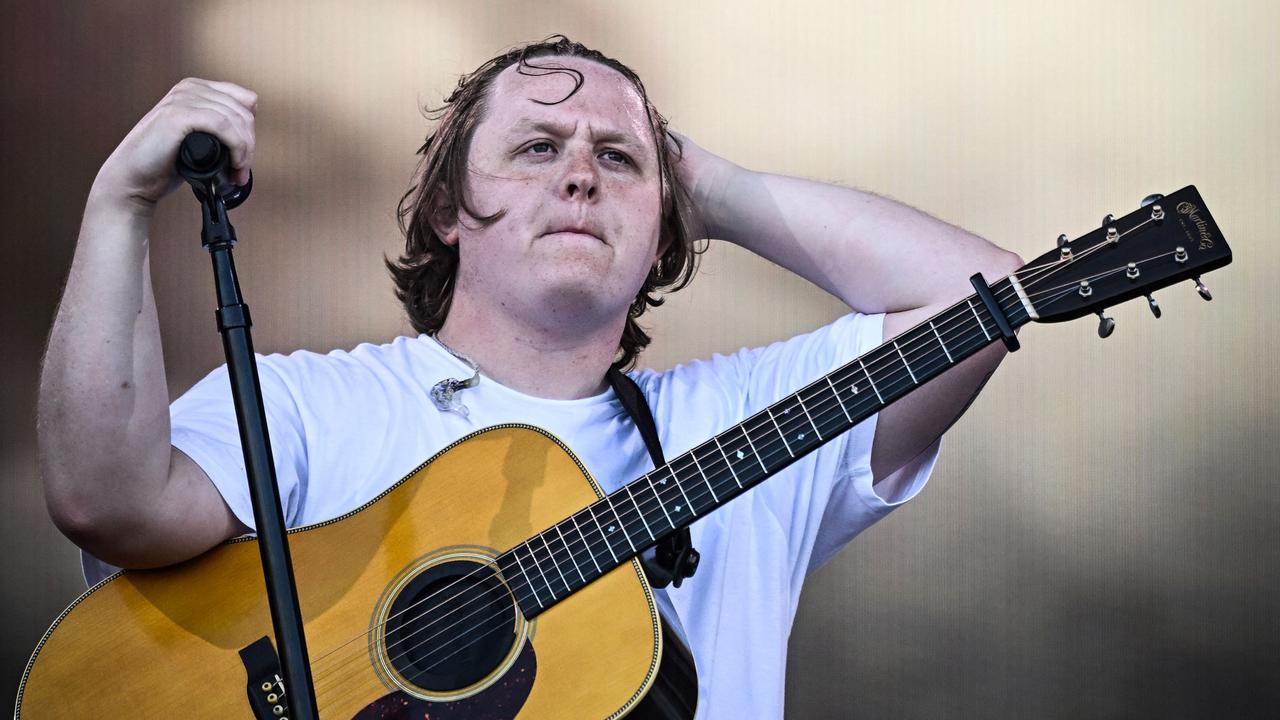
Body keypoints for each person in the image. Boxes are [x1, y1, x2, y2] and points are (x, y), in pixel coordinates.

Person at [37, 36, 1021, 718]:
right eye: (537, 148)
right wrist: (119, 203)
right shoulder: (304, 405)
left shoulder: (739, 420)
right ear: (447, 213)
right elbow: (102, 499)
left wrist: (700, 186)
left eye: (617, 162)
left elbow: (983, 296)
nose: (580, 176)